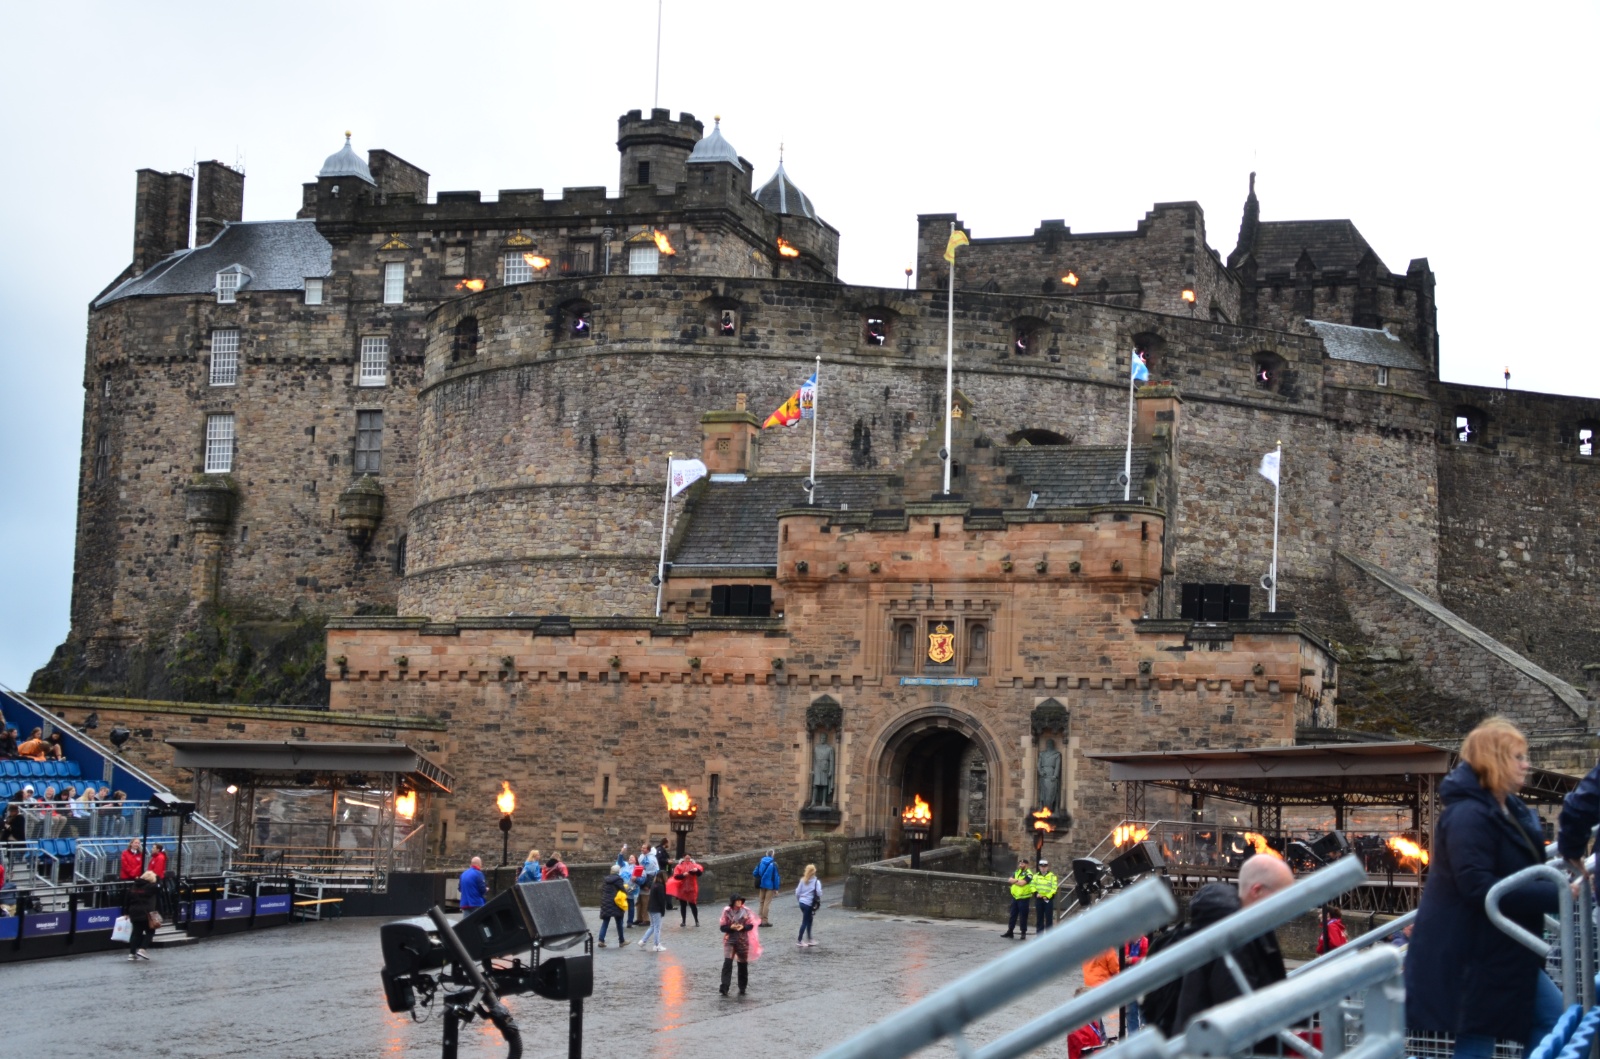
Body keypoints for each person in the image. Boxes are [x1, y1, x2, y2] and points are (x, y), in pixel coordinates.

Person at [1406, 717, 1562, 1059]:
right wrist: (1558, 894)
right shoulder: (1469, 815)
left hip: (1493, 948)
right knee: (1496, 1032)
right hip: (1471, 952)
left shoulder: (1505, 810)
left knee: (1525, 1024)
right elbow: (1477, 885)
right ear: (1495, 760)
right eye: (1518, 757)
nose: (1526, 765)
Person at [1172, 854, 1294, 1031]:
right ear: (1257, 890)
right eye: (1283, 897)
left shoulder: (1248, 932)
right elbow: (1237, 1013)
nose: (1288, 907)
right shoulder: (1235, 939)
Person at [718, 893, 761, 996]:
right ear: (733, 902)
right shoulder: (727, 911)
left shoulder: (746, 911)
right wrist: (731, 927)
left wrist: (743, 927)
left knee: (742, 964)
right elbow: (722, 927)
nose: (739, 902)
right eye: (737, 900)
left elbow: (751, 925)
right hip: (730, 940)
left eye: (740, 900)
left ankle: (742, 987)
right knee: (727, 962)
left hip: (742, 941)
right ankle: (724, 987)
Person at [123, 869, 161, 961]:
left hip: (134, 913)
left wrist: (126, 913)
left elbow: (126, 901)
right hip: (148, 913)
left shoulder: (132, 887)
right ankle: (142, 949)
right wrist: (157, 878)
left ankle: (131, 954)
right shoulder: (151, 887)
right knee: (150, 931)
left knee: (136, 933)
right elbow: (160, 885)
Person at [1001, 858, 1034, 939]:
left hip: (1024, 897)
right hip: (1015, 897)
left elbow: (1023, 883)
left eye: (1022, 864)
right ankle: (1010, 931)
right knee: (1013, 915)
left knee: (1023, 916)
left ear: (1026, 864)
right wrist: (1017, 881)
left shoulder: (1029, 873)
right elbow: (1009, 880)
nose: (1020, 865)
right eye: (1020, 863)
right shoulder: (1017, 872)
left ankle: (1023, 933)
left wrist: (1015, 881)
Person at [637, 871, 668, 952]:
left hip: (651, 908)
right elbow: (661, 900)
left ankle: (643, 941)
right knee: (657, 927)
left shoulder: (654, 885)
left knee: (652, 926)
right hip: (656, 909)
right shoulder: (660, 886)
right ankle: (656, 945)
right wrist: (663, 910)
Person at [597, 865, 627, 947]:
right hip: (616, 903)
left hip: (606, 902)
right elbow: (623, 890)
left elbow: (601, 890)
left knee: (605, 922)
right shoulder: (618, 879)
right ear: (618, 871)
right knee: (619, 922)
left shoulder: (605, 880)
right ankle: (621, 941)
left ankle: (601, 940)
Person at [795, 862, 823, 946]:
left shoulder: (802, 880)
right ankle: (800, 940)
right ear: (814, 872)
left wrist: (799, 900)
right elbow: (819, 893)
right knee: (805, 921)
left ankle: (810, 938)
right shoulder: (816, 882)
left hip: (802, 903)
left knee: (809, 919)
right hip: (809, 904)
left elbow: (797, 892)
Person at [752, 848, 781, 926]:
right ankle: (765, 920)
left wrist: (761, 876)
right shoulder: (774, 864)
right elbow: (776, 877)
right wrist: (776, 888)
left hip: (762, 885)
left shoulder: (761, 862)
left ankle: (759, 920)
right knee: (766, 903)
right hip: (770, 886)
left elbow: (755, 873)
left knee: (761, 902)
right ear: (772, 855)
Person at [673, 853, 703, 926]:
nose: (688, 860)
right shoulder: (679, 866)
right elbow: (676, 876)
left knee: (693, 905)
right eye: (686, 858)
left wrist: (696, 870)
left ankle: (696, 920)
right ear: (683, 858)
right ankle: (683, 921)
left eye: (689, 858)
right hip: (682, 888)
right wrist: (683, 875)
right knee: (683, 905)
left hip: (691, 888)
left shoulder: (694, 865)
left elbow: (699, 873)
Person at [1033, 859, 1059, 934]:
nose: (1043, 868)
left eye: (1045, 866)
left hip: (1048, 900)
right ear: (1039, 867)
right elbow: (1032, 886)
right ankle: (1039, 935)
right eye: (1042, 866)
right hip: (1039, 899)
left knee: (1049, 918)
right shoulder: (1035, 876)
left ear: (1047, 867)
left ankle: (1049, 936)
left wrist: (1047, 896)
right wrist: (1036, 893)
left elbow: (1054, 888)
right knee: (1039, 918)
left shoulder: (1052, 876)